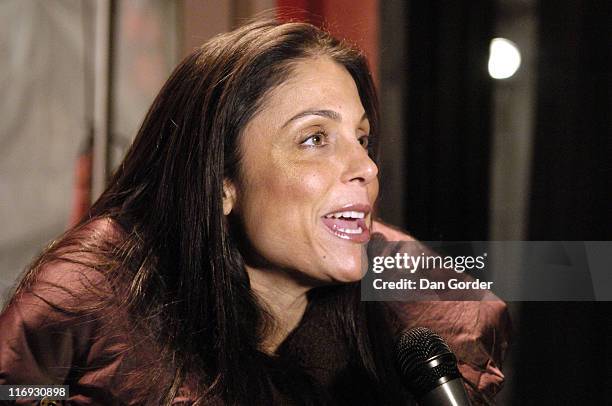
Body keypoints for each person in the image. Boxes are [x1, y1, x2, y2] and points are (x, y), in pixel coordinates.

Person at [0, 19, 509, 405]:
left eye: (362, 139)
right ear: (222, 182)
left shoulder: (407, 289)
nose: (366, 168)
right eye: (315, 139)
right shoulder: (91, 292)